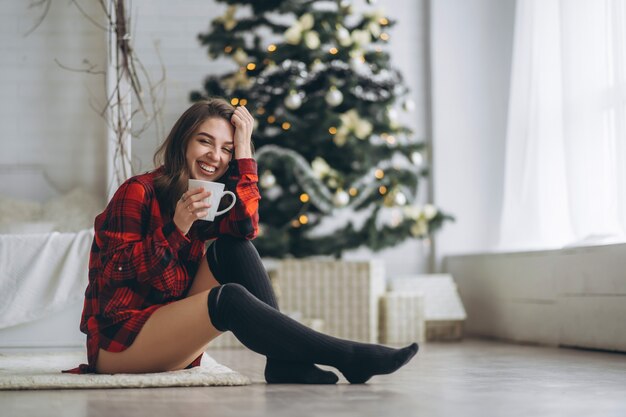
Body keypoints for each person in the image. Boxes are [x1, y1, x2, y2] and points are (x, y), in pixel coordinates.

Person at [66, 98, 418, 384]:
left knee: (231, 247)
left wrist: (246, 152)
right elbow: (117, 271)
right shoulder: (138, 191)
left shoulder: (208, 193)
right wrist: (177, 227)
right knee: (228, 299)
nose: (214, 157)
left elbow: (246, 228)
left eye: (226, 149)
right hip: (120, 344)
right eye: (205, 141)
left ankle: (284, 364)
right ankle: (349, 356)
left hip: (168, 325)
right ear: (183, 141)